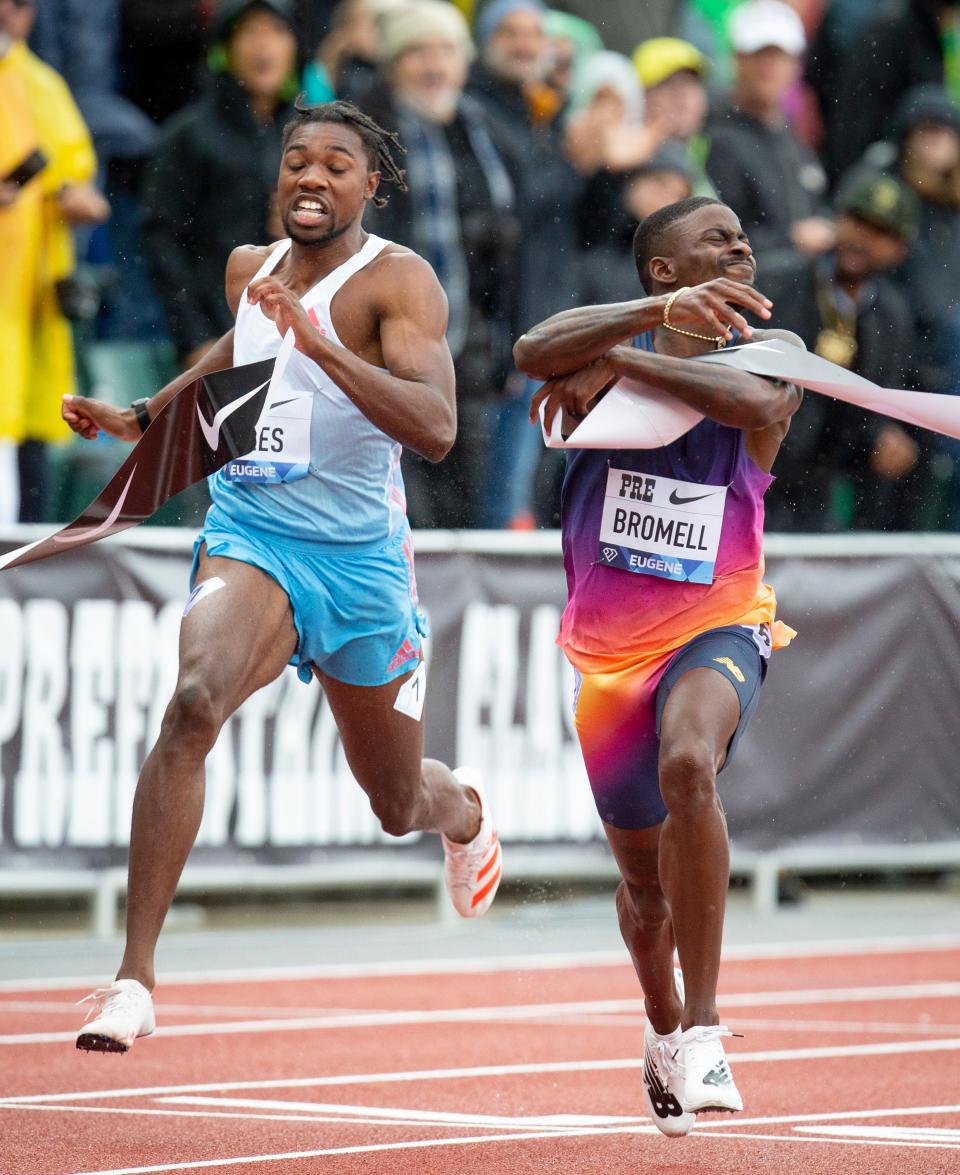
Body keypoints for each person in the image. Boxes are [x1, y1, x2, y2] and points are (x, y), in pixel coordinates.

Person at [62, 99, 502, 1053]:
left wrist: (322, 342)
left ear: (369, 186)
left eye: (337, 165)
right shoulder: (245, 271)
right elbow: (238, 358)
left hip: (361, 566)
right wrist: (146, 413)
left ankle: (461, 809)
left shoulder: (399, 283)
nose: (312, 177)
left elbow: (435, 427)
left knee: (395, 805)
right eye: (297, 161)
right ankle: (133, 978)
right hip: (254, 535)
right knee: (192, 700)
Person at [513, 196, 803, 1132]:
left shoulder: (770, 348)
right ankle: (663, 1024)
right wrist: (639, 333)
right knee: (644, 886)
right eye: (714, 237)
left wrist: (614, 363)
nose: (740, 245)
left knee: (690, 761)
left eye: (743, 236)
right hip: (606, 650)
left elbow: (754, 405)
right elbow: (530, 349)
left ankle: (708, 1027)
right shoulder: (604, 340)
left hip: (720, 621)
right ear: (663, 272)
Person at [363, 0, 520, 528]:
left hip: (470, 353)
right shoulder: (363, 130)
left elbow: (527, 226)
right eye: (417, 52)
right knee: (405, 514)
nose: (434, 66)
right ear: (391, 63)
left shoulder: (484, 130)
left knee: (468, 513)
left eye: (446, 51)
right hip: (386, 354)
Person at [140, 0, 300, 370]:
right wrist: (194, 336)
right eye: (250, 31)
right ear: (224, 48)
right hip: (216, 336)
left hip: (298, 339)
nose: (264, 44)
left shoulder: (313, 134)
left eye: (276, 30)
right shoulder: (189, 136)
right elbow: (161, 239)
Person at [0, 0, 110, 523]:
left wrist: (76, 196)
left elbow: (80, 177)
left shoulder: (41, 83)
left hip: (32, 302)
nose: (7, 13)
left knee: (30, 436)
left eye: (20, 4)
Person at [763, 175, 924, 531]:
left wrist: (882, 434)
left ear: (900, 249)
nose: (863, 238)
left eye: (881, 231)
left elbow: (879, 400)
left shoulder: (892, 314)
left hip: (821, 485)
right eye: (857, 221)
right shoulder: (778, 280)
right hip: (752, 468)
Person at [706, 0, 832, 265]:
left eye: (779, 55)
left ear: (796, 64)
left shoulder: (791, 135)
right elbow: (713, 238)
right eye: (758, 54)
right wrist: (790, 239)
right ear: (737, 58)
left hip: (795, 292)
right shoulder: (714, 135)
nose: (769, 66)